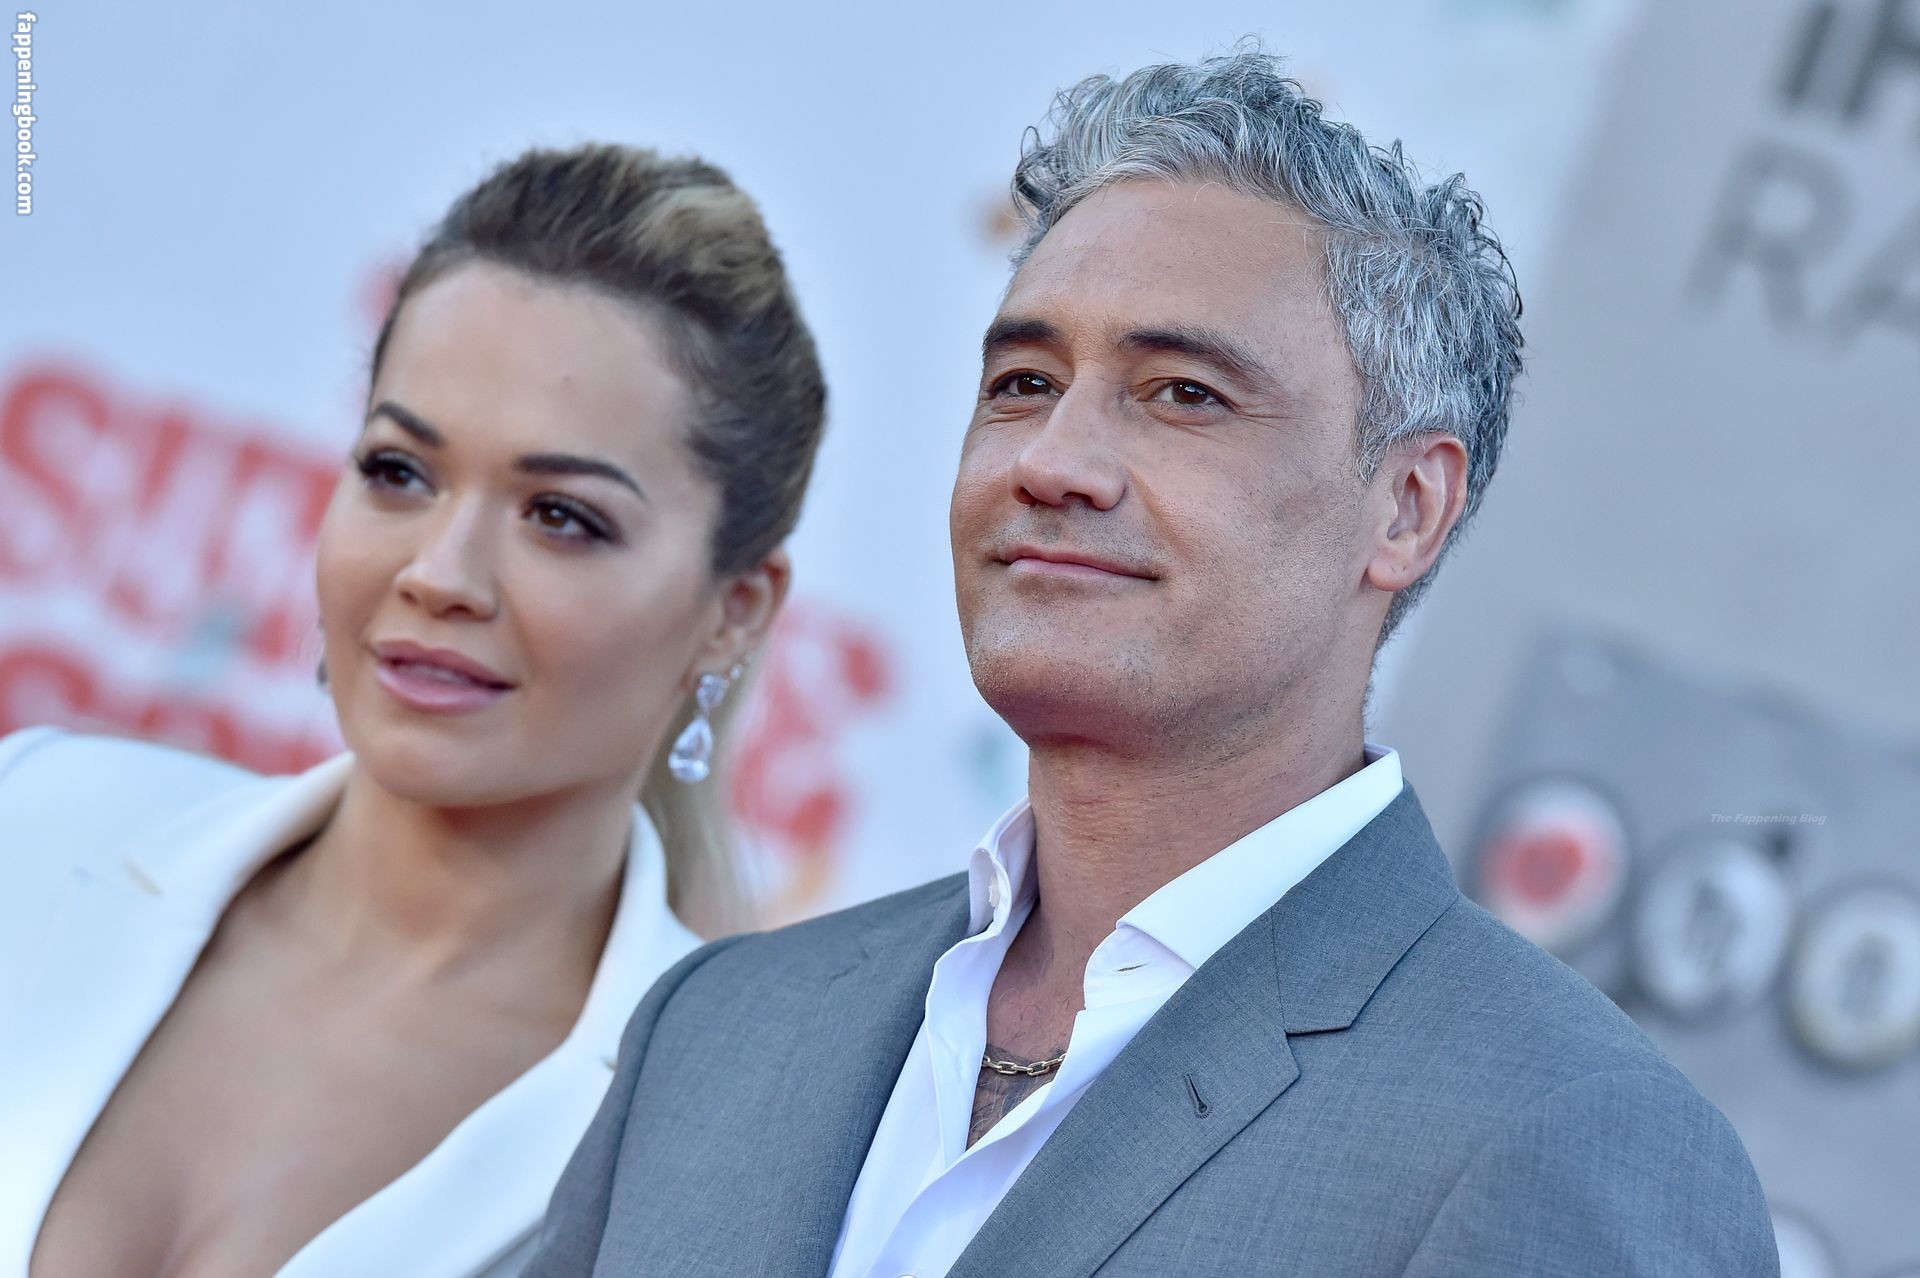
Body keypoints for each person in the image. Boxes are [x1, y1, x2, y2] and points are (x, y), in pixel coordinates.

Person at [523, 48, 1780, 1278]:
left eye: (1182, 394)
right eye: (1024, 382)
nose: (1051, 461)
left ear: (1405, 509)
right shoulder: (721, 1027)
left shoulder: (1558, 1134)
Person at [0, 142, 826, 1277]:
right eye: (399, 472)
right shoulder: (39, 822)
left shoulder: (724, 1149)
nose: (440, 573)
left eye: (562, 516)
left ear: (735, 611)